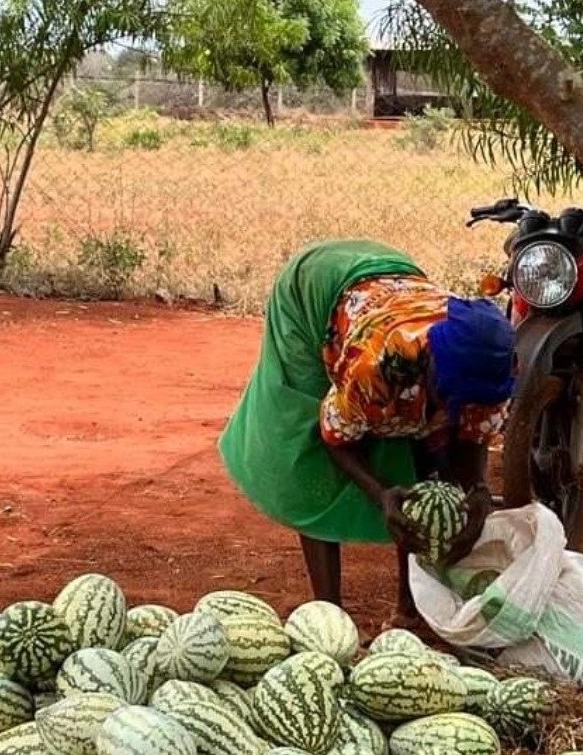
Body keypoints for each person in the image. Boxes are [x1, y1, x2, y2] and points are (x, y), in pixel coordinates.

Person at [219, 238, 517, 618]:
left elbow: (473, 434)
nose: (462, 408)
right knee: (312, 451)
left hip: (393, 274)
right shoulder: (377, 369)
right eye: (454, 397)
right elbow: (334, 437)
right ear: (430, 369)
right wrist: (381, 495)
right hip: (313, 288)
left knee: (421, 453)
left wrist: (477, 489)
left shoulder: (492, 367)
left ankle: (409, 611)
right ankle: (329, 614)